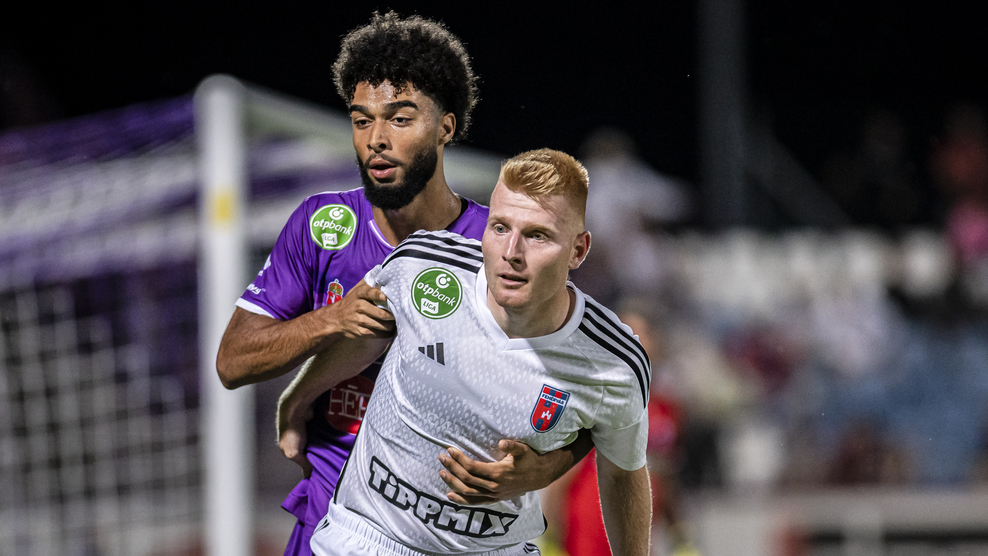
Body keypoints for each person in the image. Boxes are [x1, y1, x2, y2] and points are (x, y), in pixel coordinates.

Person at [214, 11, 591, 556]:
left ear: (446, 127)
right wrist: (331, 321)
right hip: (331, 520)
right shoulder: (322, 226)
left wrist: (545, 468)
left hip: (445, 531)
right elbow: (233, 361)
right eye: (361, 120)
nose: (376, 140)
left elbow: (594, 384)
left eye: (400, 118)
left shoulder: (498, 247)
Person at [280, 149, 652, 556]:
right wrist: (298, 399)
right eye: (499, 228)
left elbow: (622, 471)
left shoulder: (615, 364)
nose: (511, 252)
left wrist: (548, 468)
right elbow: (364, 337)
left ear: (578, 250)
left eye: (537, 235)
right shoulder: (421, 267)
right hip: (368, 538)